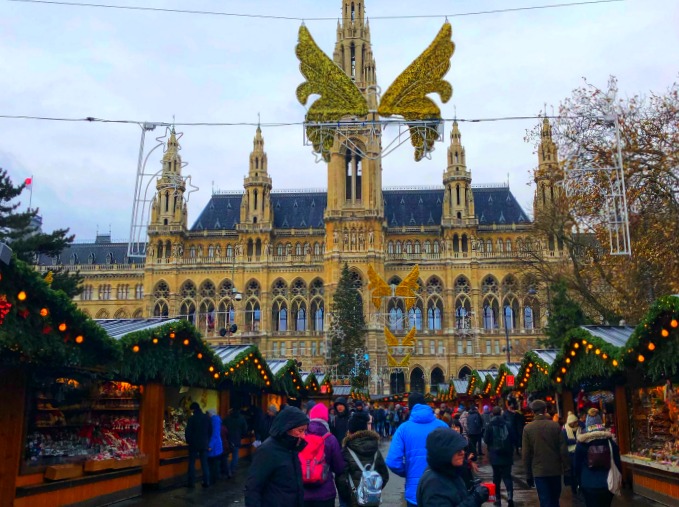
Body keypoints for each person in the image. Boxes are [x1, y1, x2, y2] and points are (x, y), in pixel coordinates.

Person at [385, 392, 448, 507]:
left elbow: (393, 462)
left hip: (415, 492)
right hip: (441, 489)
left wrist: (408, 471)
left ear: (409, 407)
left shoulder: (403, 429)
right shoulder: (443, 426)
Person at [244, 406, 310, 507]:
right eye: (300, 430)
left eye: (304, 431)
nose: (303, 435)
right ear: (287, 428)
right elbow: (252, 488)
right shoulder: (267, 450)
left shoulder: (292, 447)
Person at [416, 427, 490, 507]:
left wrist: (471, 493)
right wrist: (475, 499)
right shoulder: (434, 484)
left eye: (463, 449)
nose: (462, 453)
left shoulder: (449, 471)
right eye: (457, 450)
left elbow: (456, 498)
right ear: (443, 452)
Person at [522, 399, 570, 507]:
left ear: (532, 411)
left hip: (539, 471)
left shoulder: (528, 429)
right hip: (555, 470)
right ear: (545, 410)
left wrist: (528, 474)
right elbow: (563, 450)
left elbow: (526, 454)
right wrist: (567, 470)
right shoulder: (555, 426)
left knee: (545, 500)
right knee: (554, 500)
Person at [336, 410, 389, 507]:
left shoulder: (346, 451)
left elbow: (341, 479)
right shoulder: (375, 449)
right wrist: (374, 491)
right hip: (371, 501)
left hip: (352, 501)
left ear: (350, 431)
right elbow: (384, 475)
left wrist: (348, 496)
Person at [303, 403, 345, 507]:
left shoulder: (302, 436)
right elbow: (339, 468)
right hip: (325, 493)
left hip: (303, 492)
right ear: (326, 419)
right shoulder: (330, 439)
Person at [574, 422, 621, 507]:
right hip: (607, 483)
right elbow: (617, 463)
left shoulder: (581, 444)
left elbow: (577, 466)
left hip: (588, 483)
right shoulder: (610, 443)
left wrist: (578, 481)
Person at [484, 406, 515, 507]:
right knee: (507, 476)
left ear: (492, 413)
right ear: (501, 413)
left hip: (495, 455)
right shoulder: (508, 424)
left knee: (496, 477)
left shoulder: (489, 425)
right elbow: (513, 438)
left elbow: (486, 439)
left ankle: (497, 498)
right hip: (507, 455)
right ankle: (510, 497)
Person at [185, 402, 212, 488]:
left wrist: (189, 441)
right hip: (204, 443)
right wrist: (207, 441)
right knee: (204, 463)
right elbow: (210, 431)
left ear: (193, 409)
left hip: (193, 444)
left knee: (192, 464)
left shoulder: (192, 418)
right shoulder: (207, 418)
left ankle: (191, 482)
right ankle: (206, 481)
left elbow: (188, 432)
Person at [224, 407, 249, 475]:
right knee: (235, 455)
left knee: (226, 456)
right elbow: (245, 429)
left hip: (228, 439)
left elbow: (223, 428)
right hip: (237, 439)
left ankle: (226, 470)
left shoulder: (227, 418)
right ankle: (232, 469)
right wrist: (241, 435)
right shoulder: (241, 418)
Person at [562, 411, 581, 496]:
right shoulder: (564, 430)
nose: (576, 424)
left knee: (578, 470)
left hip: (578, 452)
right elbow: (564, 441)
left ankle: (579, 486)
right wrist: (576, 441)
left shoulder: (580, 428)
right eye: (574, 423)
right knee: (572, 472)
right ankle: (574, 487)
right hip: (570, 454)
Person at [206, 409, 223, 485]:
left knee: (213, 463)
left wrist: (210, 445)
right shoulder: (216, 419)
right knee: (214, 463)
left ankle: (213, 479)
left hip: (214, 446)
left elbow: (214, 434)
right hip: (216, 445)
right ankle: (214, 478)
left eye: (207, 413)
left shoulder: (214, 420)